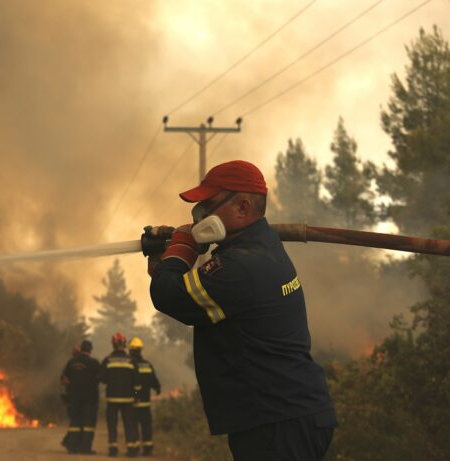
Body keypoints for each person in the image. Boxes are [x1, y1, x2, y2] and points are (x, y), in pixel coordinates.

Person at [147, 160, 337, 461]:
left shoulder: (239, 266)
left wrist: (180, 251)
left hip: (277, 422)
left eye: (207, 205)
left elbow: (168, 295)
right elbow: (185, 287)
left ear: (243, 207)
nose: (199, 217)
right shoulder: (260, 246)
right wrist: (165, 260)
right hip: (288, 415)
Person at [99, 332, 140, 457]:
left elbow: (102, 378)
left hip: (112, 398)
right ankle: (132, 450)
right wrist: (136, 396)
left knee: (112, 424)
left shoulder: (107, 360)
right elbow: (137, 383)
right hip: (128, 400)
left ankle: (113, 449)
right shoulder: (131, 361)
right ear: (124, 344)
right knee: (129, 424)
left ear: (113, 344)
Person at [60, 339, 101, 454]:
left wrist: (73, 386)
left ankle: (72, 447)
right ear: (90, 350)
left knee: (75, 422)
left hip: (74, 398)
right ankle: (85, 449)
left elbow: (63, 380)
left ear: (81, 349)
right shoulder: (94, 363)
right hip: (90, 398)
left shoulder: (72, 362)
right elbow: (101, 378)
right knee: (88, 424)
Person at [128, 337, 160, 457]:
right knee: (146, 426)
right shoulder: (147, 364)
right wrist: (157, 388)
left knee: (133, 425)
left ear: (130, 350)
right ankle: (147, 449)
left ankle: (135, 449)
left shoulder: (130, 364)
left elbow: (131, 383)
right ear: (141, 350)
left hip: (133, 401)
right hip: (146, 403)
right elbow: (154, 380)